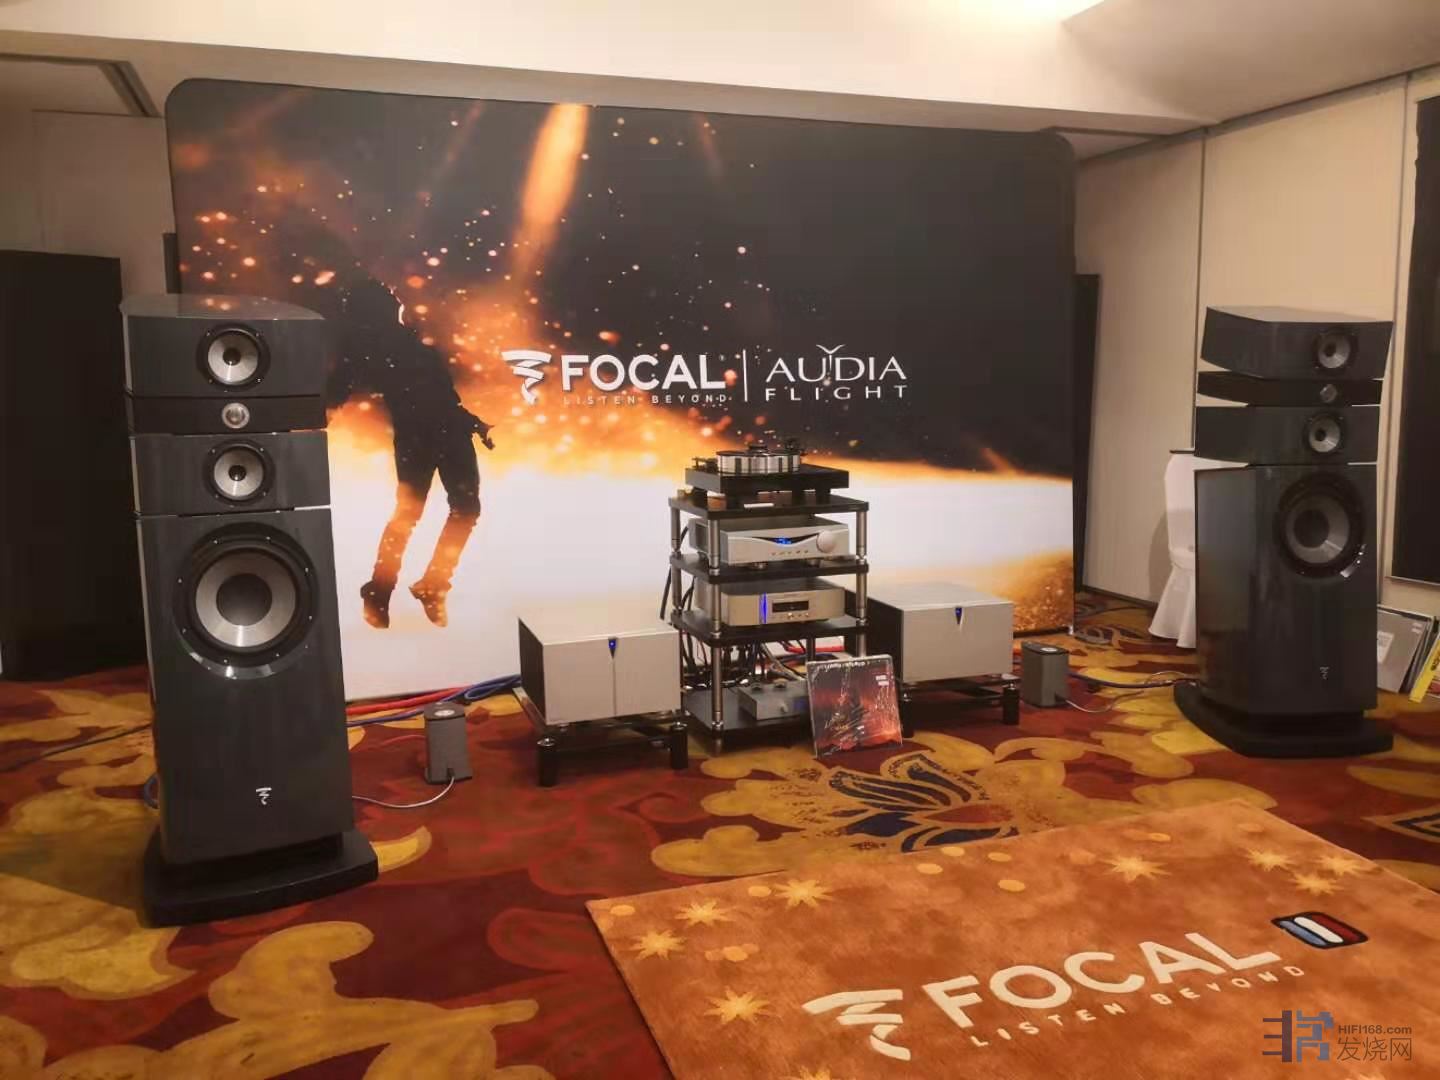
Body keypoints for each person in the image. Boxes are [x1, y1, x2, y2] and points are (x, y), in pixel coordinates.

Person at [326, 277, 495, 629]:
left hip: (441, 434)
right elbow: (338, 392)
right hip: (427, 436)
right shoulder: (373, 346)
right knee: (427, 512)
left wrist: (471, 421)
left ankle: (409, 586)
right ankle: (399, 588)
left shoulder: (392, 343)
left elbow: (441, 397)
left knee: (443, 511)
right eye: (390, 297)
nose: (397, 300)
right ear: (376, 308)